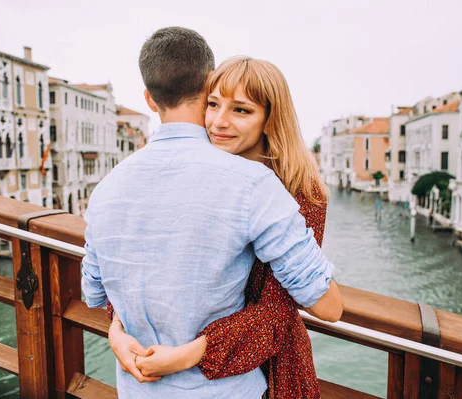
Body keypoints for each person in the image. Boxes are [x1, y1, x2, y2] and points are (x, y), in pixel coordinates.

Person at [81, 27, 342, 399]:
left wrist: (188, 354)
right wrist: (118, 326)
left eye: (241, 110)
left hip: (266, 367)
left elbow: (282, 312)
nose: (219, 121)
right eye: (214, 104)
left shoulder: (299, 190)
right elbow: (140, 278)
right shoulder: (222, 179)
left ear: (270, 118)